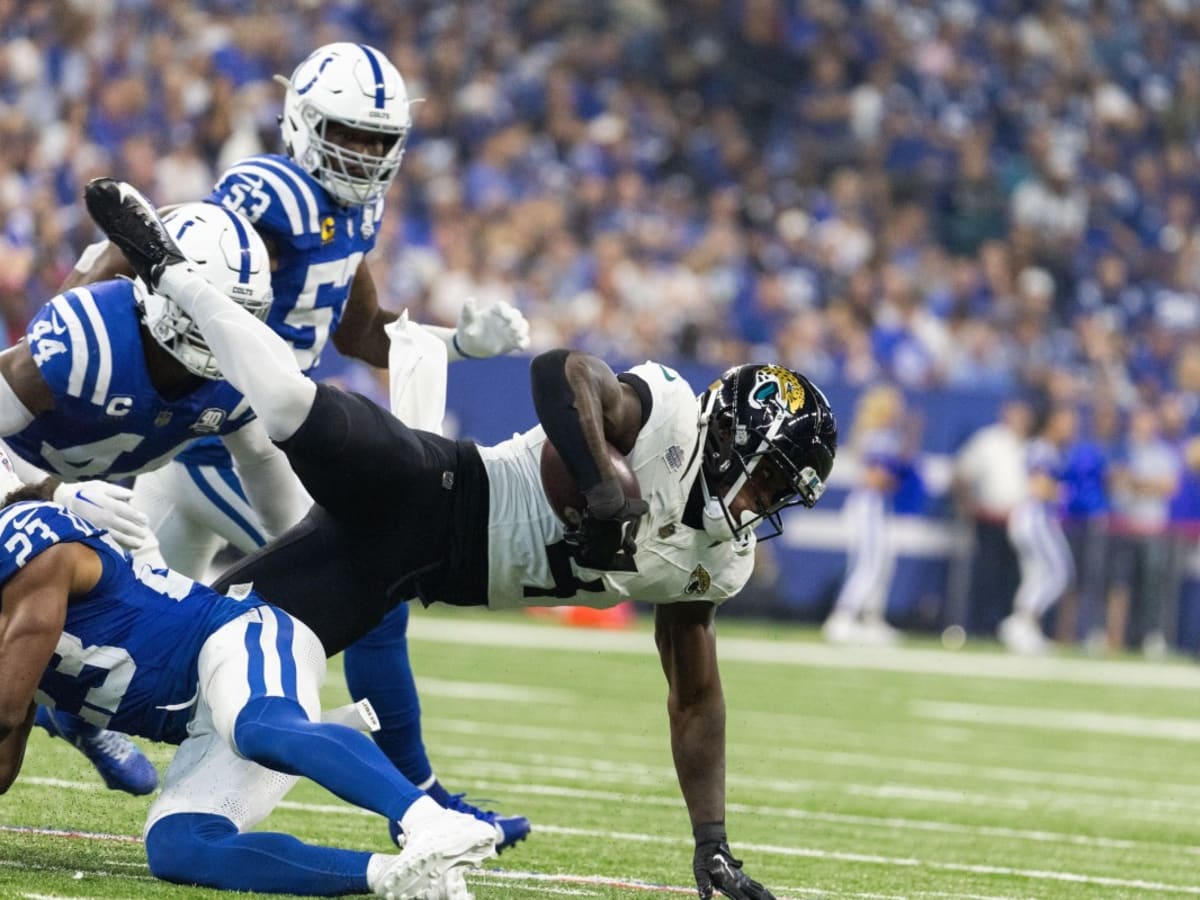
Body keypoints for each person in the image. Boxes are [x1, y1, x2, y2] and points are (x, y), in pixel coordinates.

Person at [88, 175, 838, 900]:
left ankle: (393, 864)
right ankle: (174, 272)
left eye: (781, 496)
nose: (764, 505)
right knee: (286, 405)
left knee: (213, 650)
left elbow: (696, 698)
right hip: (431, 488)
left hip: (392, 574)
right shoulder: (667, 415)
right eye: (768, 478)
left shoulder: (717, 560)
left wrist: (710, 840)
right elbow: (562, 372)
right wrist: (604, 490)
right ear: (733, 435)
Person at [61, 43, 532, 846]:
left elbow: (355, 331)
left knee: (110, 610)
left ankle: (59, 704)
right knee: (374, 583)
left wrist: (457, 344)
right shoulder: (269, 192)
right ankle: (420, 799)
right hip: (226, 431)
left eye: (382, 140)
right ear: (305, 123)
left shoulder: (357, 212)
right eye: (351, 135)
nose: (367, 155)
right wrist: (84, 302)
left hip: (252, 436)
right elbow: (166, 244)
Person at [0, 458, 496, 898]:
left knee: (256, 726)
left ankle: (431, 820)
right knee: (179, 847)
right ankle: (399, 876)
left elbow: (5, 704)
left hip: (233, 640)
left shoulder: (27, 533)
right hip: (202, 722)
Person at [0, 201, 313, 796]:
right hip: (17, 490)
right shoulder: (88, 339)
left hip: (88, 504)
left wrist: (311, 554)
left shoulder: (238, 373)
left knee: (139, 611)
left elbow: (268, 472)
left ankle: (74, 709)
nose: (220, 324)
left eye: (236, 312)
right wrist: (47, 496)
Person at [822, 383, 906, 646]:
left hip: (874, 506)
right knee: (868, 564)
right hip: (869, 504)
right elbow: (876, 478)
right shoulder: (879, 437)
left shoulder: (878, 435)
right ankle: (842, 616)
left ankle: (871, 618)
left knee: (881, 563)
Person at [998, 404, 1077, 655]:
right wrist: (1066, 493)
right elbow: (1040, 488)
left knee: (1037, 575)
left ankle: (1026, 627)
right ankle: (1021, 621)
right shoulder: (1042, 449)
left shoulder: (1048, 449)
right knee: (1058, 572)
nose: (1072, 428)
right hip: (1036, 519)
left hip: (1033, 519)